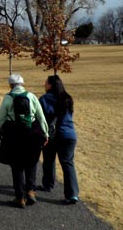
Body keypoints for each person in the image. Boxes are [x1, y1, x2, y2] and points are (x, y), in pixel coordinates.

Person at [0, 74, 48, 208]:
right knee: (31, 162)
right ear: (22, 84)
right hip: (31, 133)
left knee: (16, 166)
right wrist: (45, 133)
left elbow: (1, 117)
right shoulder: (31, 96)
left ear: (10, 85)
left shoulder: (8, 98)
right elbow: (40, 116)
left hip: (13, 135)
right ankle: (30, 191)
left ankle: (19, 197)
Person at [39, 75, 80, 204]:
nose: (44, 84)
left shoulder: (45, 99)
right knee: (68, 163)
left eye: (46, 82)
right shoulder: (67, 98)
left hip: (54, 135)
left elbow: (42, 117)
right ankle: (72, 194)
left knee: (49, 159)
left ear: (50, 85)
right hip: (69, 135)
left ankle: (48, 184)